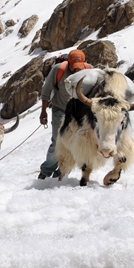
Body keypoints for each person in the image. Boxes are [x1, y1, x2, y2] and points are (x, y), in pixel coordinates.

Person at [38, 49, 91, 179]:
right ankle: (46, 172)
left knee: (75, 143)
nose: (76, 70)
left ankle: (63, 171)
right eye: (74, 67)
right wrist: (43, 112)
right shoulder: (58, 70)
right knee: (57, 142)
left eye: (79, 68)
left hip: (80, 113)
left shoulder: (90, 71)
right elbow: (46, 91)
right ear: (69, 63)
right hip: (60, 110)